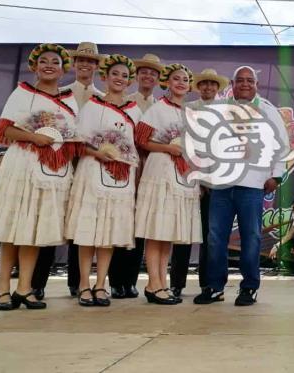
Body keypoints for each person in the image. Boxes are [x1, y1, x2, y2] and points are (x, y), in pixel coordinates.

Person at [0, 44, 82, 310]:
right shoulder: (22, 93)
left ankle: (25, 288)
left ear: (63, 68)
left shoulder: (69, 99)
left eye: (55, 61)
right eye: (43, 61)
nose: (48, 65)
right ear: (34, 66)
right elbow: (5, 130)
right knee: (13, 227)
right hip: (22, 164)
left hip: (53, 170)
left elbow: (72, 136)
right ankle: (2, 290)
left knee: (33, 229)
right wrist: (35, 137)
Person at [194, 66, 289, 307]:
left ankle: (249, 288)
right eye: (240, 81)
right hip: (222, 185)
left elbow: (282, 147)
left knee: (252, 237)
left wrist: (276, 177)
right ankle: (215, 287)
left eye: (250, 80)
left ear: (256, 84)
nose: (245, 84)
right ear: (232, 85)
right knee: (216, 237)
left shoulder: (267, 110)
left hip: (253, 185)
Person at [64, 54, 142, 307]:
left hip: (121, 177)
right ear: (105, 77)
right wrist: (100, 153)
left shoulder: (134, 110)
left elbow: (136, 147)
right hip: (92, 172)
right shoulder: (92, 105)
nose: (119, 79)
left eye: (124, 76)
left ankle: (101, 285)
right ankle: (84, 284)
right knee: (88, 231)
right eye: (115, 74)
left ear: (129, 81)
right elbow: (79, 142)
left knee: (109, 231)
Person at [33, 41, 105, 299]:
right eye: (81, 60)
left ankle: (78, 281)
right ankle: (37, 281)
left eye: (91, 61)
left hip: (88, 165)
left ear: (97, 66)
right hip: (59, 162)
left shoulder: (103, 98)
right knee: (49, 218)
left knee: (82, 224)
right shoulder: (59, 93)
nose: (85, 64)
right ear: (73, 64)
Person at [134, 63, 202, 305]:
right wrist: (168, 148)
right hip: (161, 169)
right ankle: (153, 283)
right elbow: (141, 140)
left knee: (167, 232)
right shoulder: (156, 109)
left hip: (182, 174)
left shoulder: (189, 113)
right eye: (176, 78)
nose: (181, 83)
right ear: (167, 82)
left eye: (185, 79)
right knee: (156, 230)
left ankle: (161, 282)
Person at [170, 68, 229, 298]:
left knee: (210, 235)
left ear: (217, 88)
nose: (207, 88)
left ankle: (209, 283)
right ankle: (176, 283)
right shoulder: (187, 109)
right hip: (188, 179)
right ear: (198, 86)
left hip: (215, 183)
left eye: (212, 84)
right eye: (203, 84)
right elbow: (184, 145)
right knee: (183, 232)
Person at [109, 52, 163, 300]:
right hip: (124, 166)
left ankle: (131, 281)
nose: (148, 76)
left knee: (140, 227)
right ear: (136, 76)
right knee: (120, 222)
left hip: (151, 169)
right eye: (144, 72)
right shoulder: (125, 102)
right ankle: (115, 281)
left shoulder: (160, 106)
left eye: (153, 73)